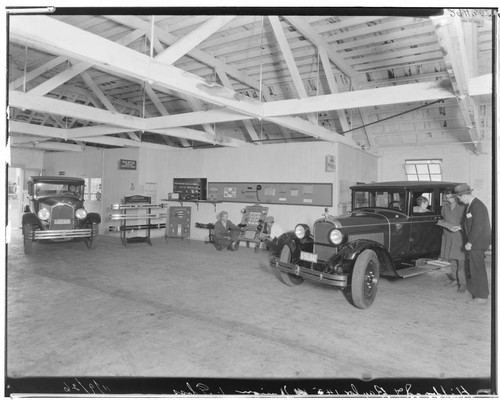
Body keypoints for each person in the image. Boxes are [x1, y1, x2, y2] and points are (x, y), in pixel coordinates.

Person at [453, 183, 491, 305]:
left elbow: (478, 227)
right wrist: (460, 227)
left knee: (477, 269)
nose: (458, 199)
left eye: (459, 197)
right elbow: (470, 223)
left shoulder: (477, 206)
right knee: (476, 269)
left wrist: (470, 242)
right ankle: (482, 294)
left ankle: (481, 297)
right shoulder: (472, 205)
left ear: (464, 195)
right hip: (476, 242)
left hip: (477, 243)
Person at [439, 188, 466, 292]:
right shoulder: (444, 207)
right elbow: (443, 219)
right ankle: (455, 279)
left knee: (461, 260)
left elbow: (468, 222)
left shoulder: (463, 206)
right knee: (453, 259)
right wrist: (443, 224)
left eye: (451, 197)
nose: (449, 200)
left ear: (456, 196)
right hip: (448, 236)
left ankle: (463, 283)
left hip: (459, 236)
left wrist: (460, 227)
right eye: (447, 198)